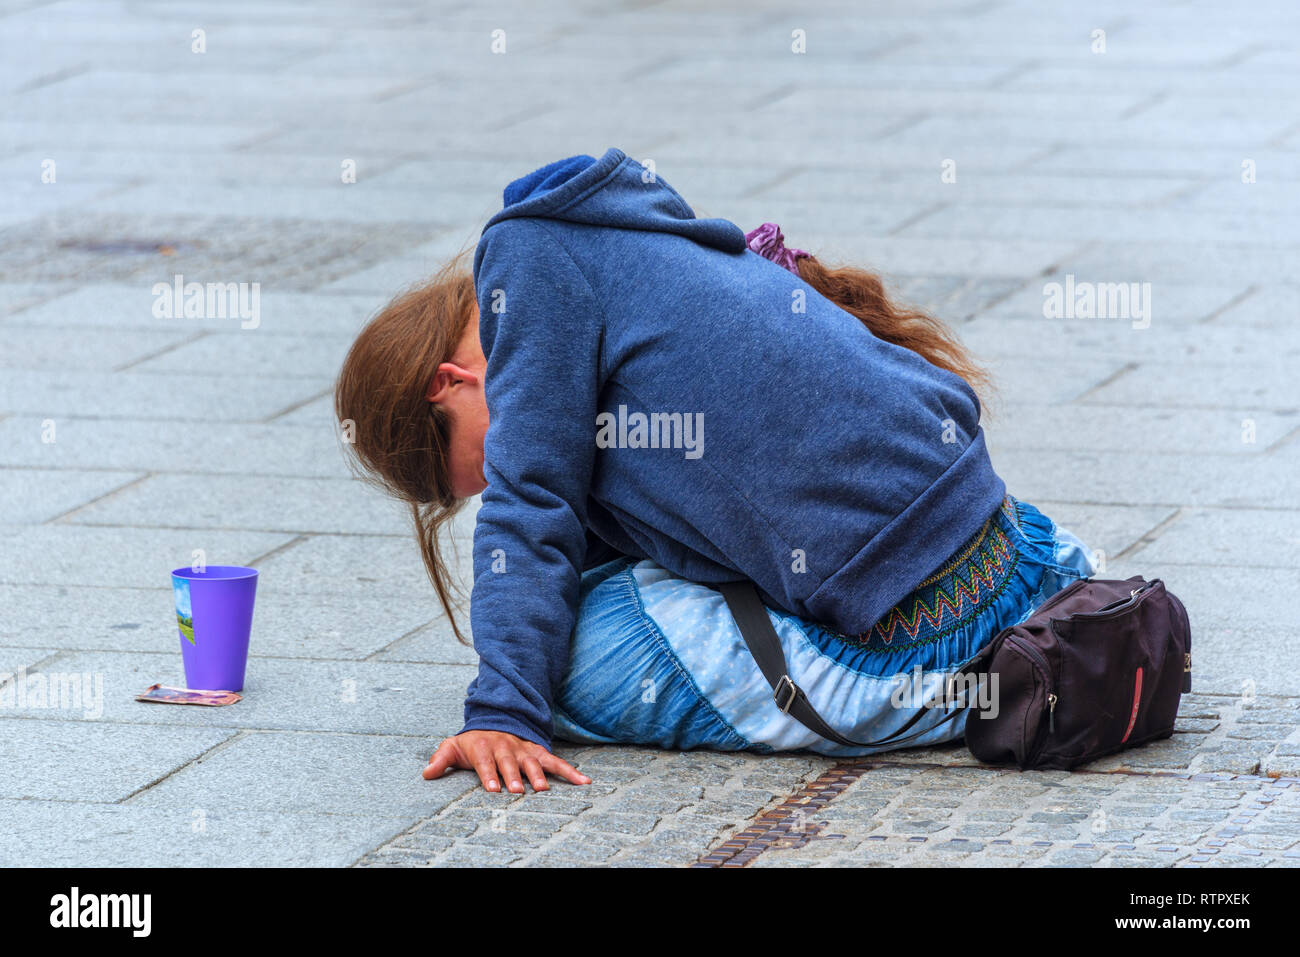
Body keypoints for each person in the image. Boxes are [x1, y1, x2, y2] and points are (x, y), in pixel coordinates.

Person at [333, 147, 1096, 795]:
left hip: (922, 645)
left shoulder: (527, 277)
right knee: (554, 611)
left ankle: (962, 684)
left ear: (447, 383)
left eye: (480, 465)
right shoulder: (605, 234)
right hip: (1022, 554)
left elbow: (531, 508)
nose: (497, 478)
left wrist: (503, 708)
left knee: (570, 665)